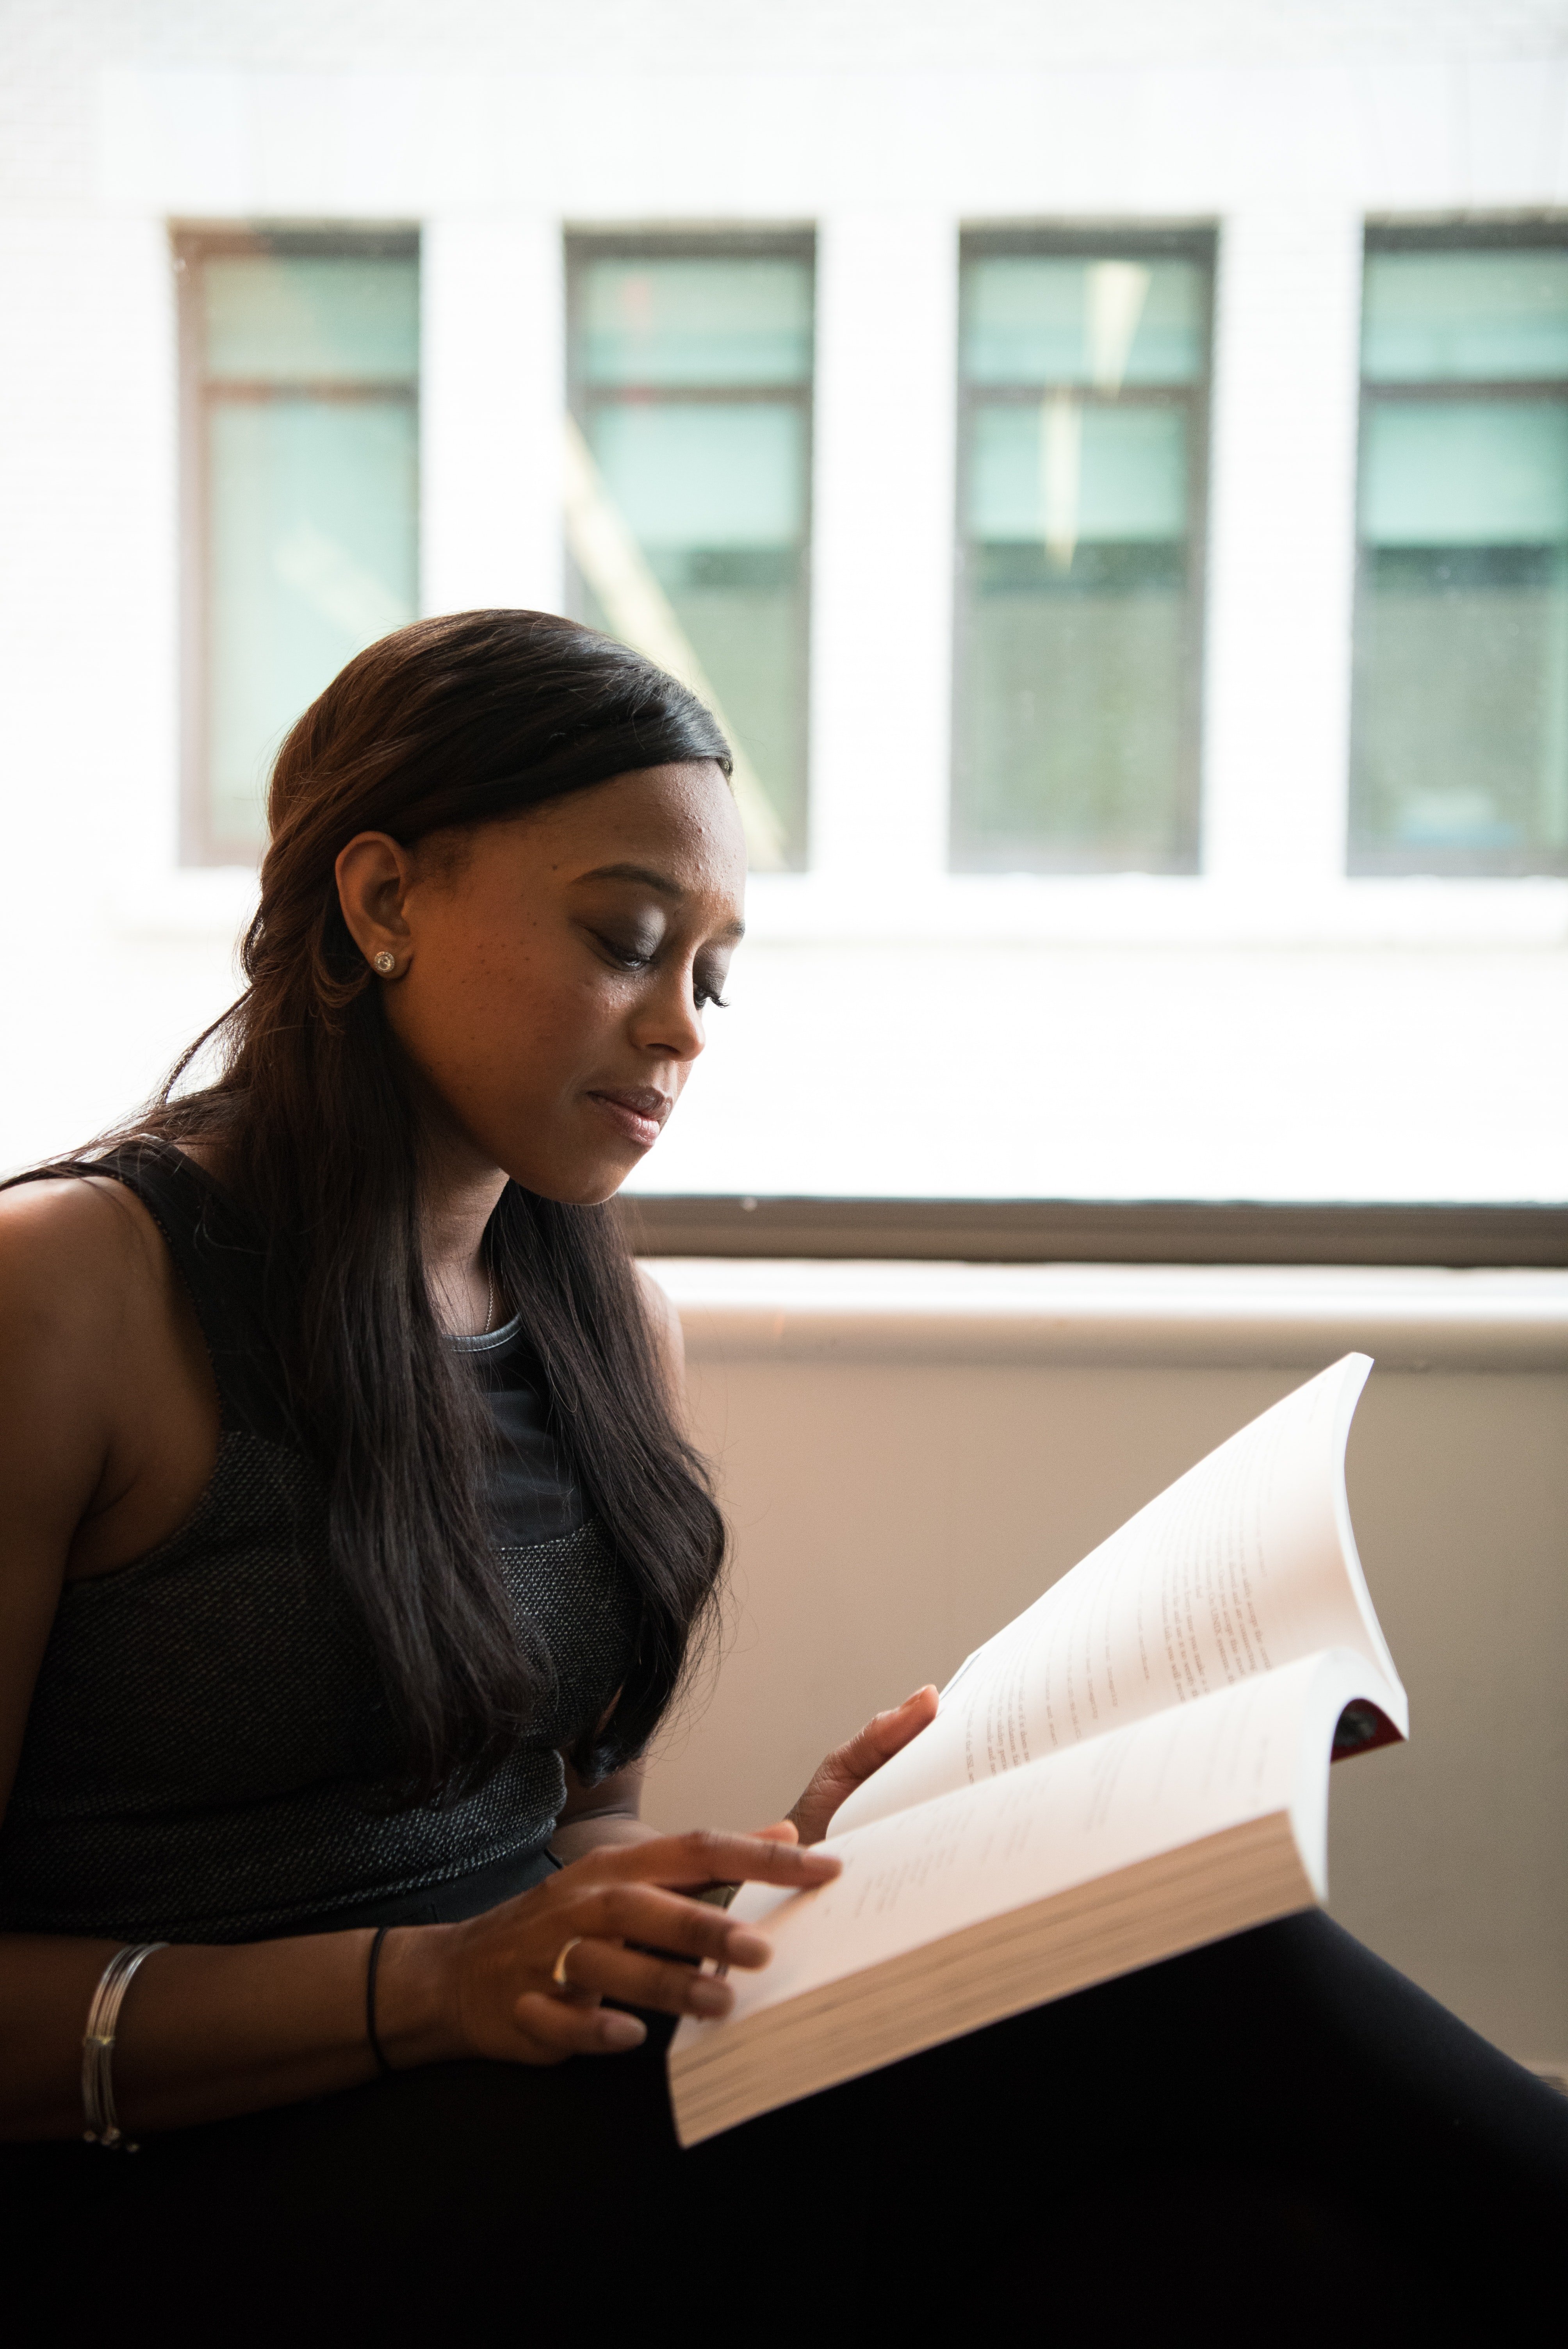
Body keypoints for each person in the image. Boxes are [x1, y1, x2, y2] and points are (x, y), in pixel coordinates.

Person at [0, 611, 1562, 2338]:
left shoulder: (604, 1321)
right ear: (381, 904)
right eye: (623, 940)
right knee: (1188, 1973)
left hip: (499, 2112)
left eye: (711, 973)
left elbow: (556, 1828)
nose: (679, 1028)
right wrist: (431, 1983)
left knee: (1244, 2263)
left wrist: (778, 1881)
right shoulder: (72, 1291)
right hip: (170, 2193)